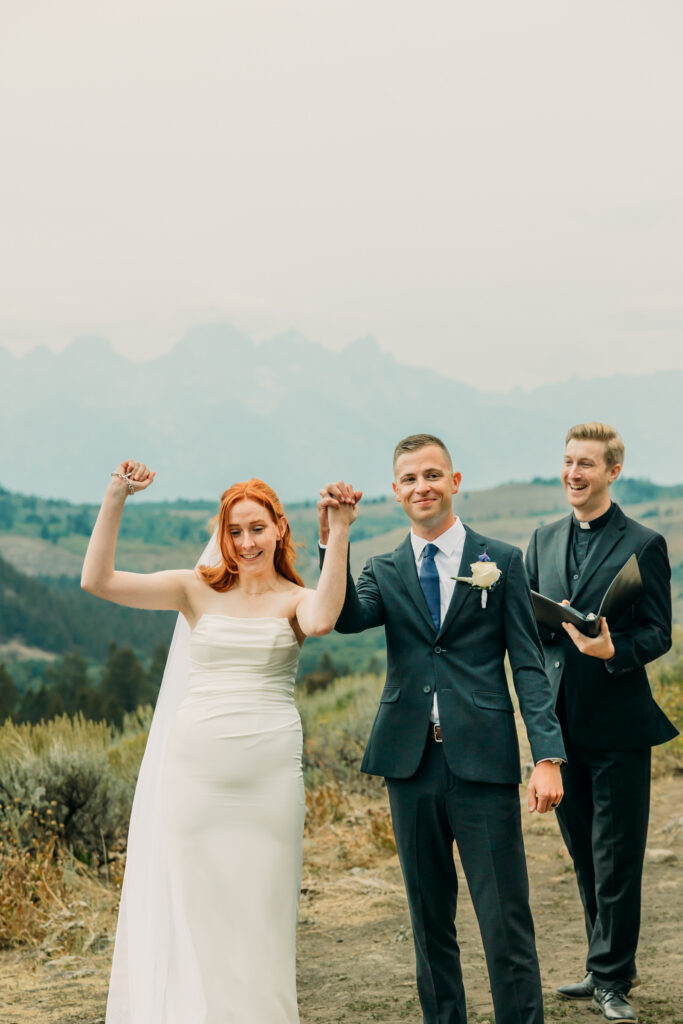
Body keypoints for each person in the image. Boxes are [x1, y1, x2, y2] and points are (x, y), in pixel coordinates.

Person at [81, 458, 359, 1024]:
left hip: (270, 784)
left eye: (257, 528)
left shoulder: (295, 600)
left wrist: (341, 531)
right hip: (196, 778)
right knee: (199, 911)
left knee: (263, 914)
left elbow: (327, 618)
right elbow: (98, 581)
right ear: (222, 536)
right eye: (234, 531)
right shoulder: (193, 591)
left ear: (279, 528)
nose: (246, 541)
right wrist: (116, 496)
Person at [318, 434, 566, 1024]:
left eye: (432, 475)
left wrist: (547, 756)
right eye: (409, 479)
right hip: (410, 766)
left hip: (483, 762)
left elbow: (528, 666)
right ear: (396, 491)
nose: (421, 487)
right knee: (429, 918)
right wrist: (335, 536)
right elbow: (345, 618)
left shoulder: (500, 561)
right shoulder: (384, 567)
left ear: (455, 482)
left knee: (504, 917)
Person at [525, 422, 677, 1024]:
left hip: (619, 727)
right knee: (585, 854)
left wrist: (614, 651)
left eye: (586, 464)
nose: (573, 474)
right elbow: (535, 630)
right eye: (567, 462)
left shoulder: (646, 541)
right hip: (561, 729)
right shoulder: (540, 540)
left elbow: (659, 632)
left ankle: (614, 979)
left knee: (617, 858)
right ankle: (601, 964)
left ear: (613, 471)